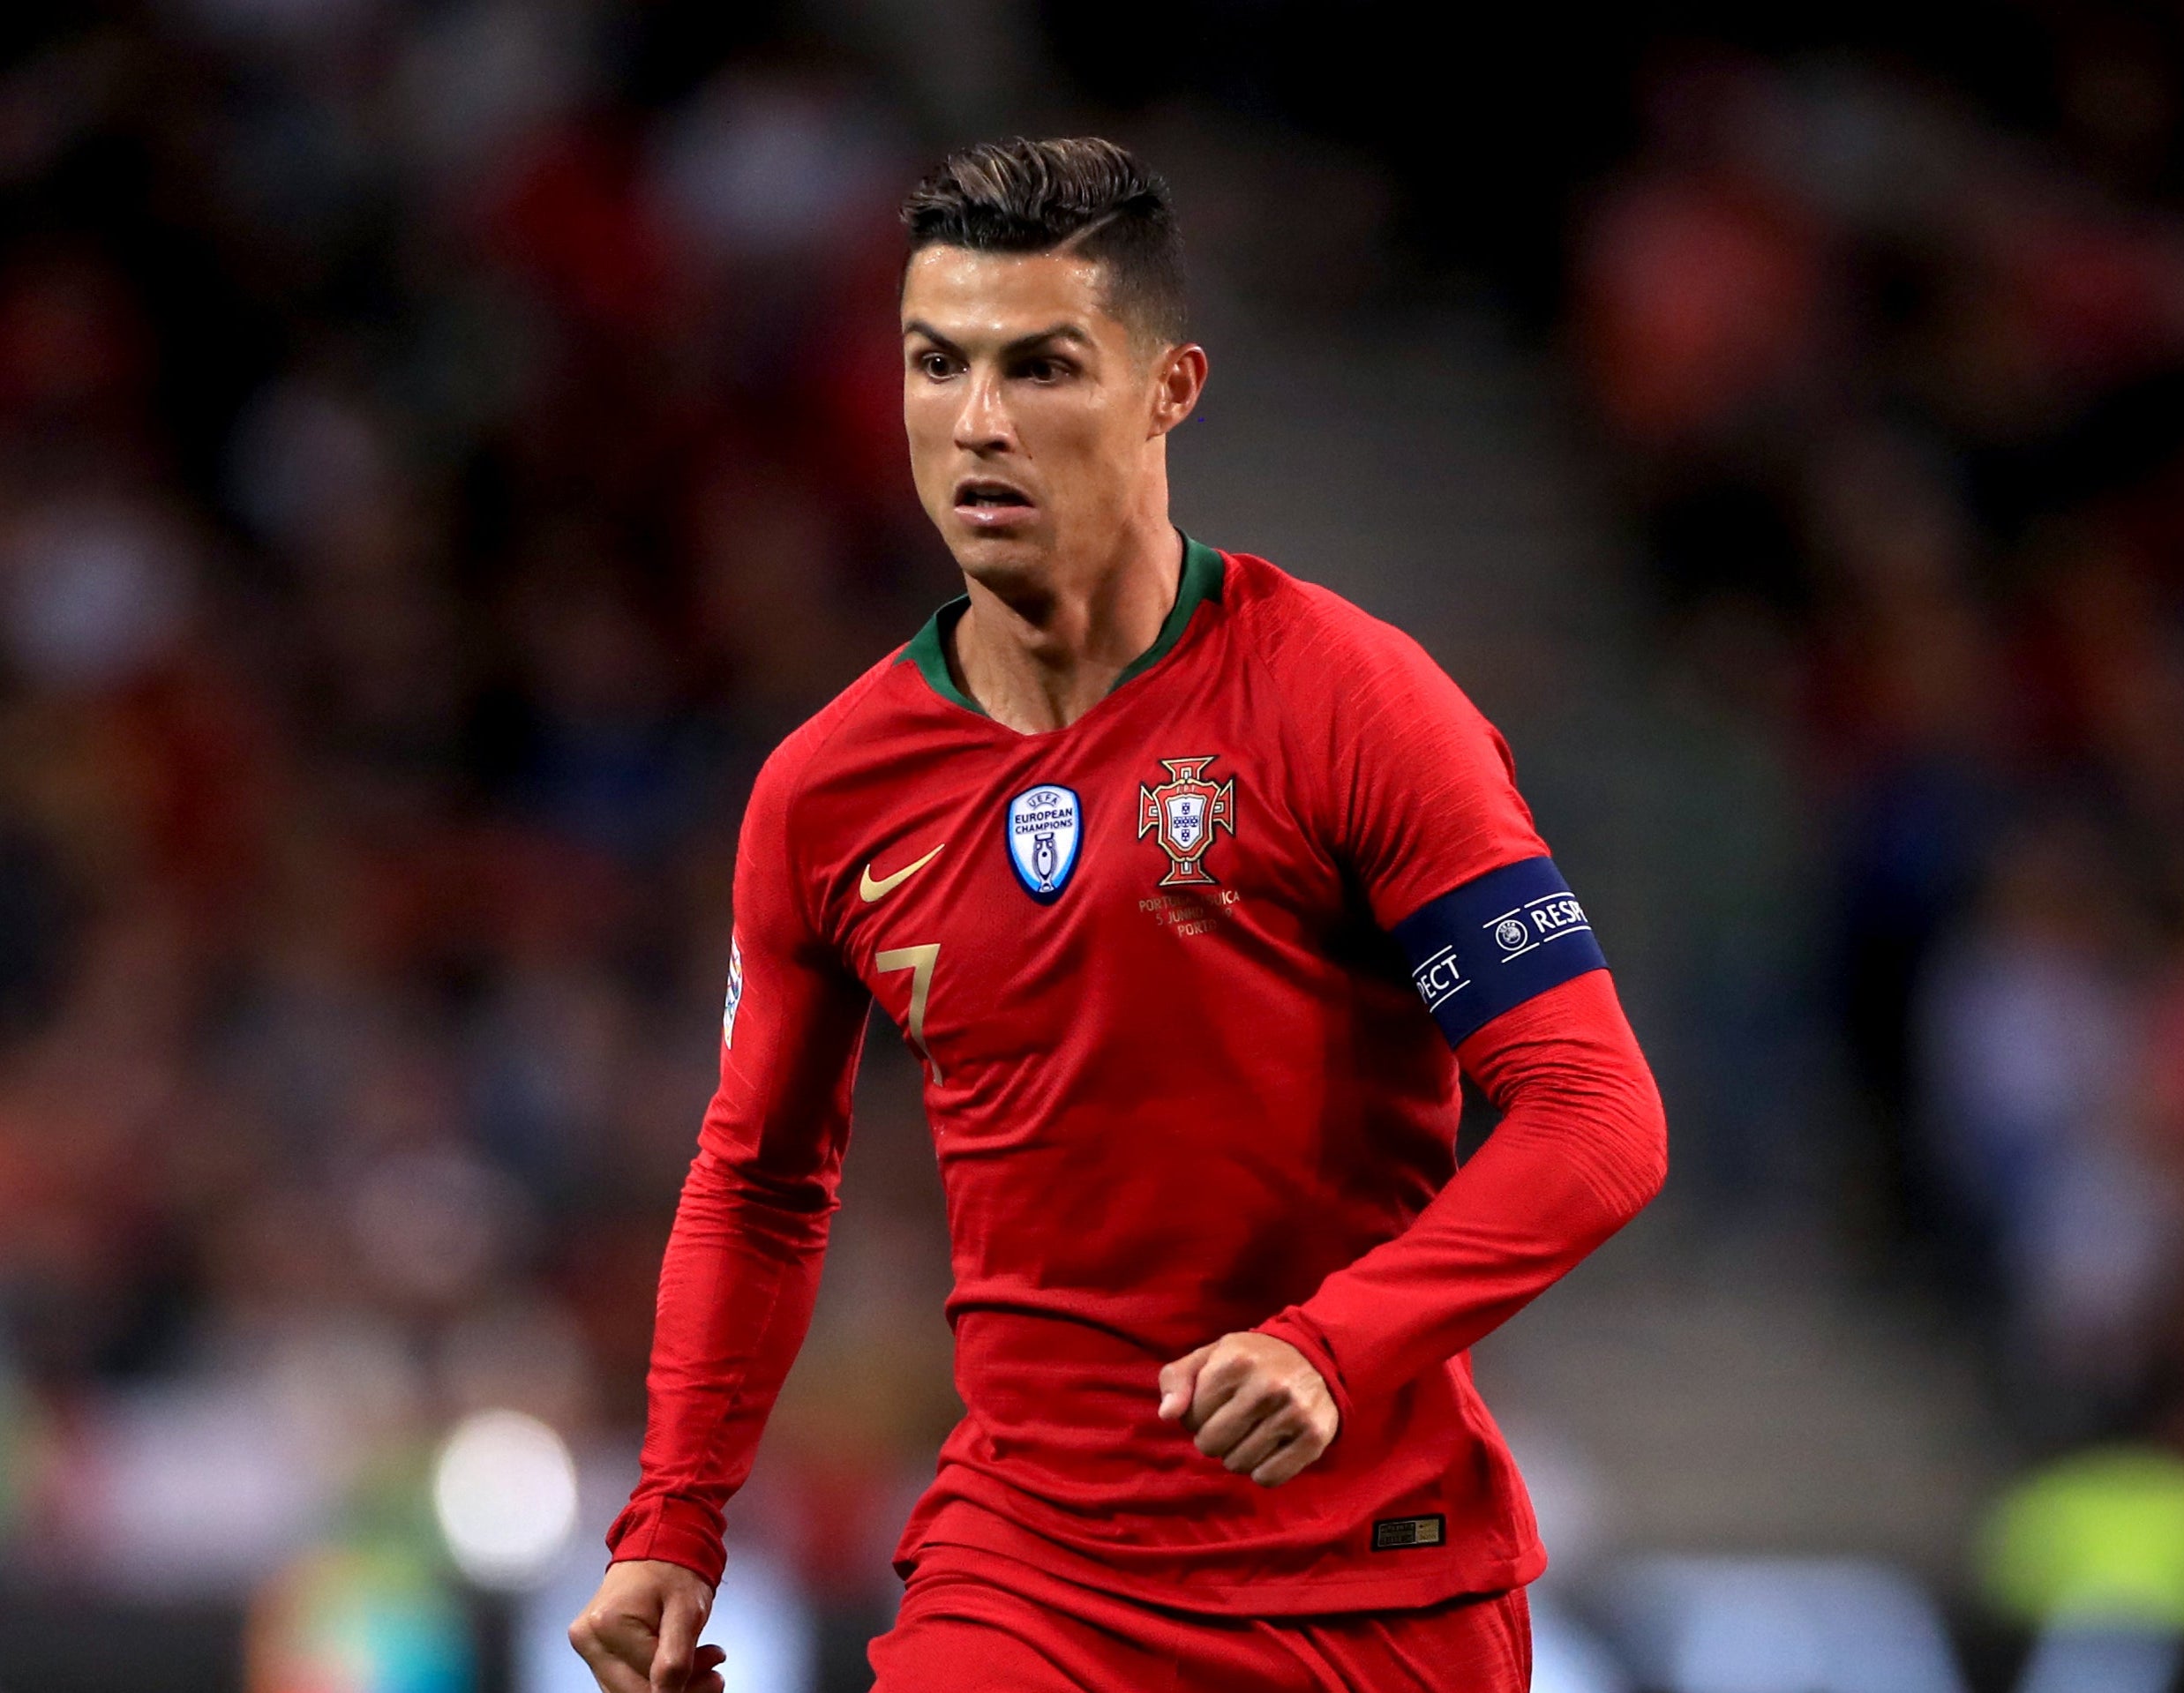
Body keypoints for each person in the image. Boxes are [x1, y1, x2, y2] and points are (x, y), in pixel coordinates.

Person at [568, 136, 1667, 1693]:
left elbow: (1592, 1110)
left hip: (1369, 1585)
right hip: (1032, 1575)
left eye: (1041, 367)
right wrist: (670, 1516)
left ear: (1171, 390)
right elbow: (756, 1183)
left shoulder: (1355, 707)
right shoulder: (826, 793)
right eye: (933, 365)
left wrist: (1331, 1345)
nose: (977, 425)